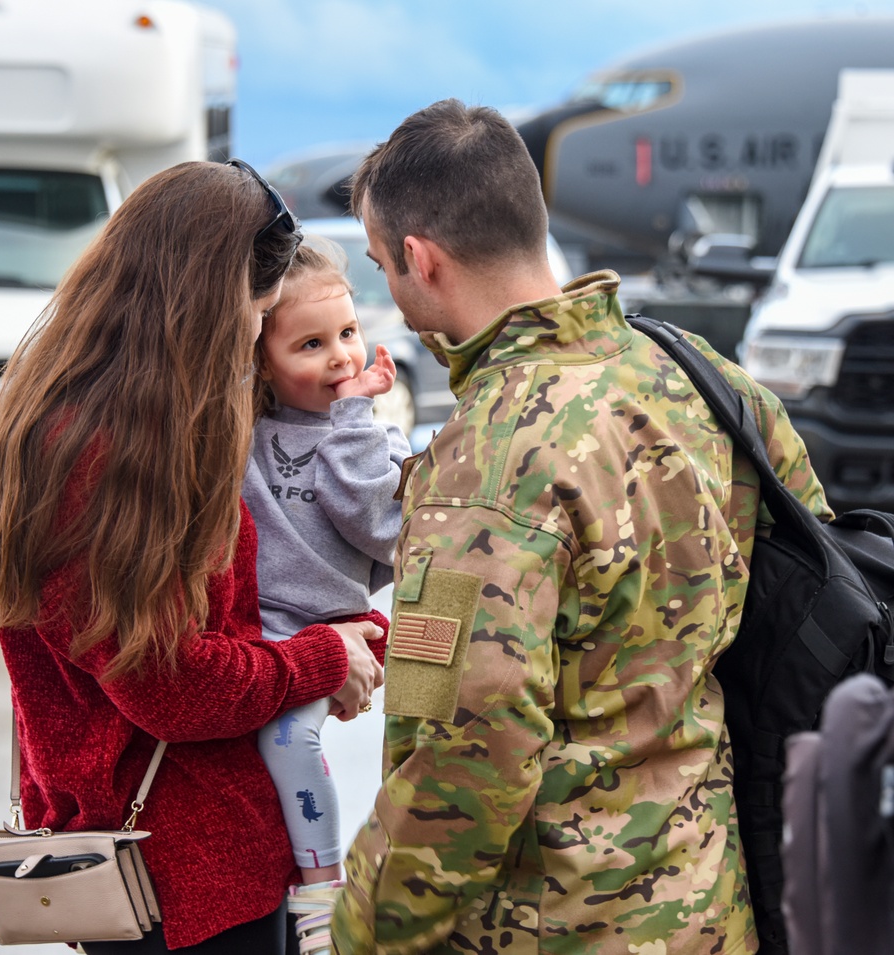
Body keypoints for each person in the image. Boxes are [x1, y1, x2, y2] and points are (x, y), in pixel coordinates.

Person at [331, 99, 834, 954]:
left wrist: (365, 931)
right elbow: (811, 570)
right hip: (716, 907)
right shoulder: (698, 374)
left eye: (382, 265)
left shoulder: (483, 459)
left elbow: (467, 747)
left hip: (555, 925)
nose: (392, 287)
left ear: (421, 258)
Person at [0, 159, 384, 954]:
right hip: (188, 876)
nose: (256, 333)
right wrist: (320, 659)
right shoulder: (112, 458)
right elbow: (172, 686)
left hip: (167, 861)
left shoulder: (75, 413)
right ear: (213, 302)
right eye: (256, 311)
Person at [242, 238, 410, 952]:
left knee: (288, 740)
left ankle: (322, 891)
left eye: (348, 332)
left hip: (322, 631)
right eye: (310, 343)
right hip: (256, 629)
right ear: (261, 361)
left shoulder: (375, 438)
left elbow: (377, 523)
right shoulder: (241, 434)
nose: (342, 357)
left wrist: (352, 422)